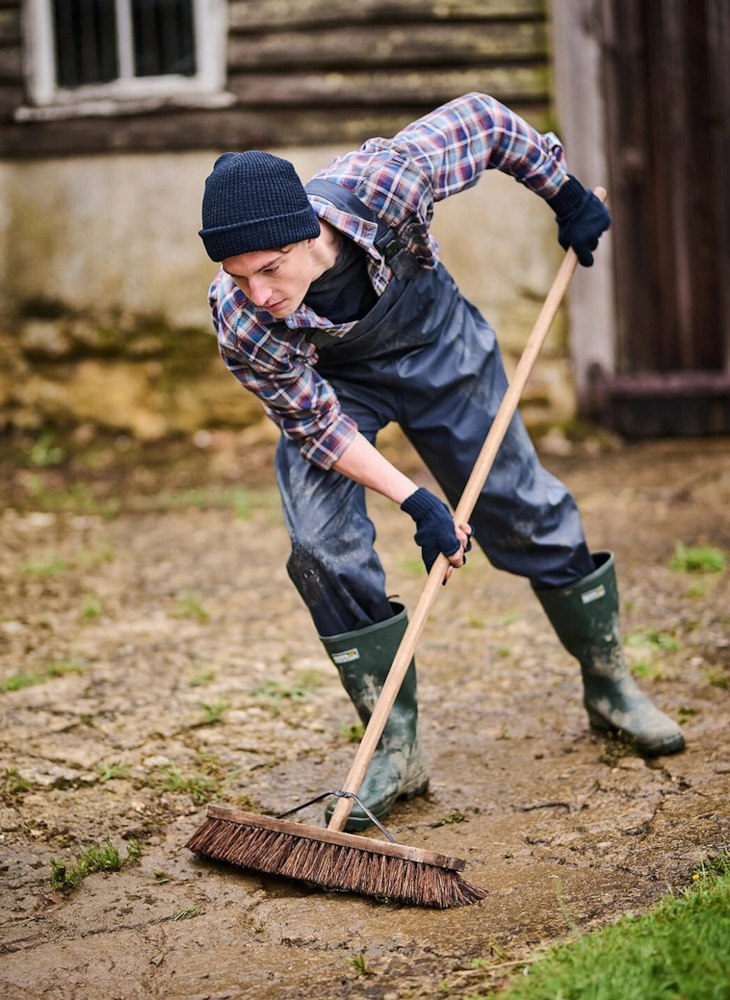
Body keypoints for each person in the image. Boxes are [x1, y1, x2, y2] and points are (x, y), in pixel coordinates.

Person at [198, 92, 684, 831]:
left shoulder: (383, 182)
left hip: (438, 348)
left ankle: (610, 682)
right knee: (320, 547)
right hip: (337, 390)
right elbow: (319, 426)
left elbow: (484, 122)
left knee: (523, 507)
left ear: (305, 233)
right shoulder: (241, 317)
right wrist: (415, 500)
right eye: (240, 277)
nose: (259, 294)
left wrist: (566, 193)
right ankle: (395, 747)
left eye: (269, 269)